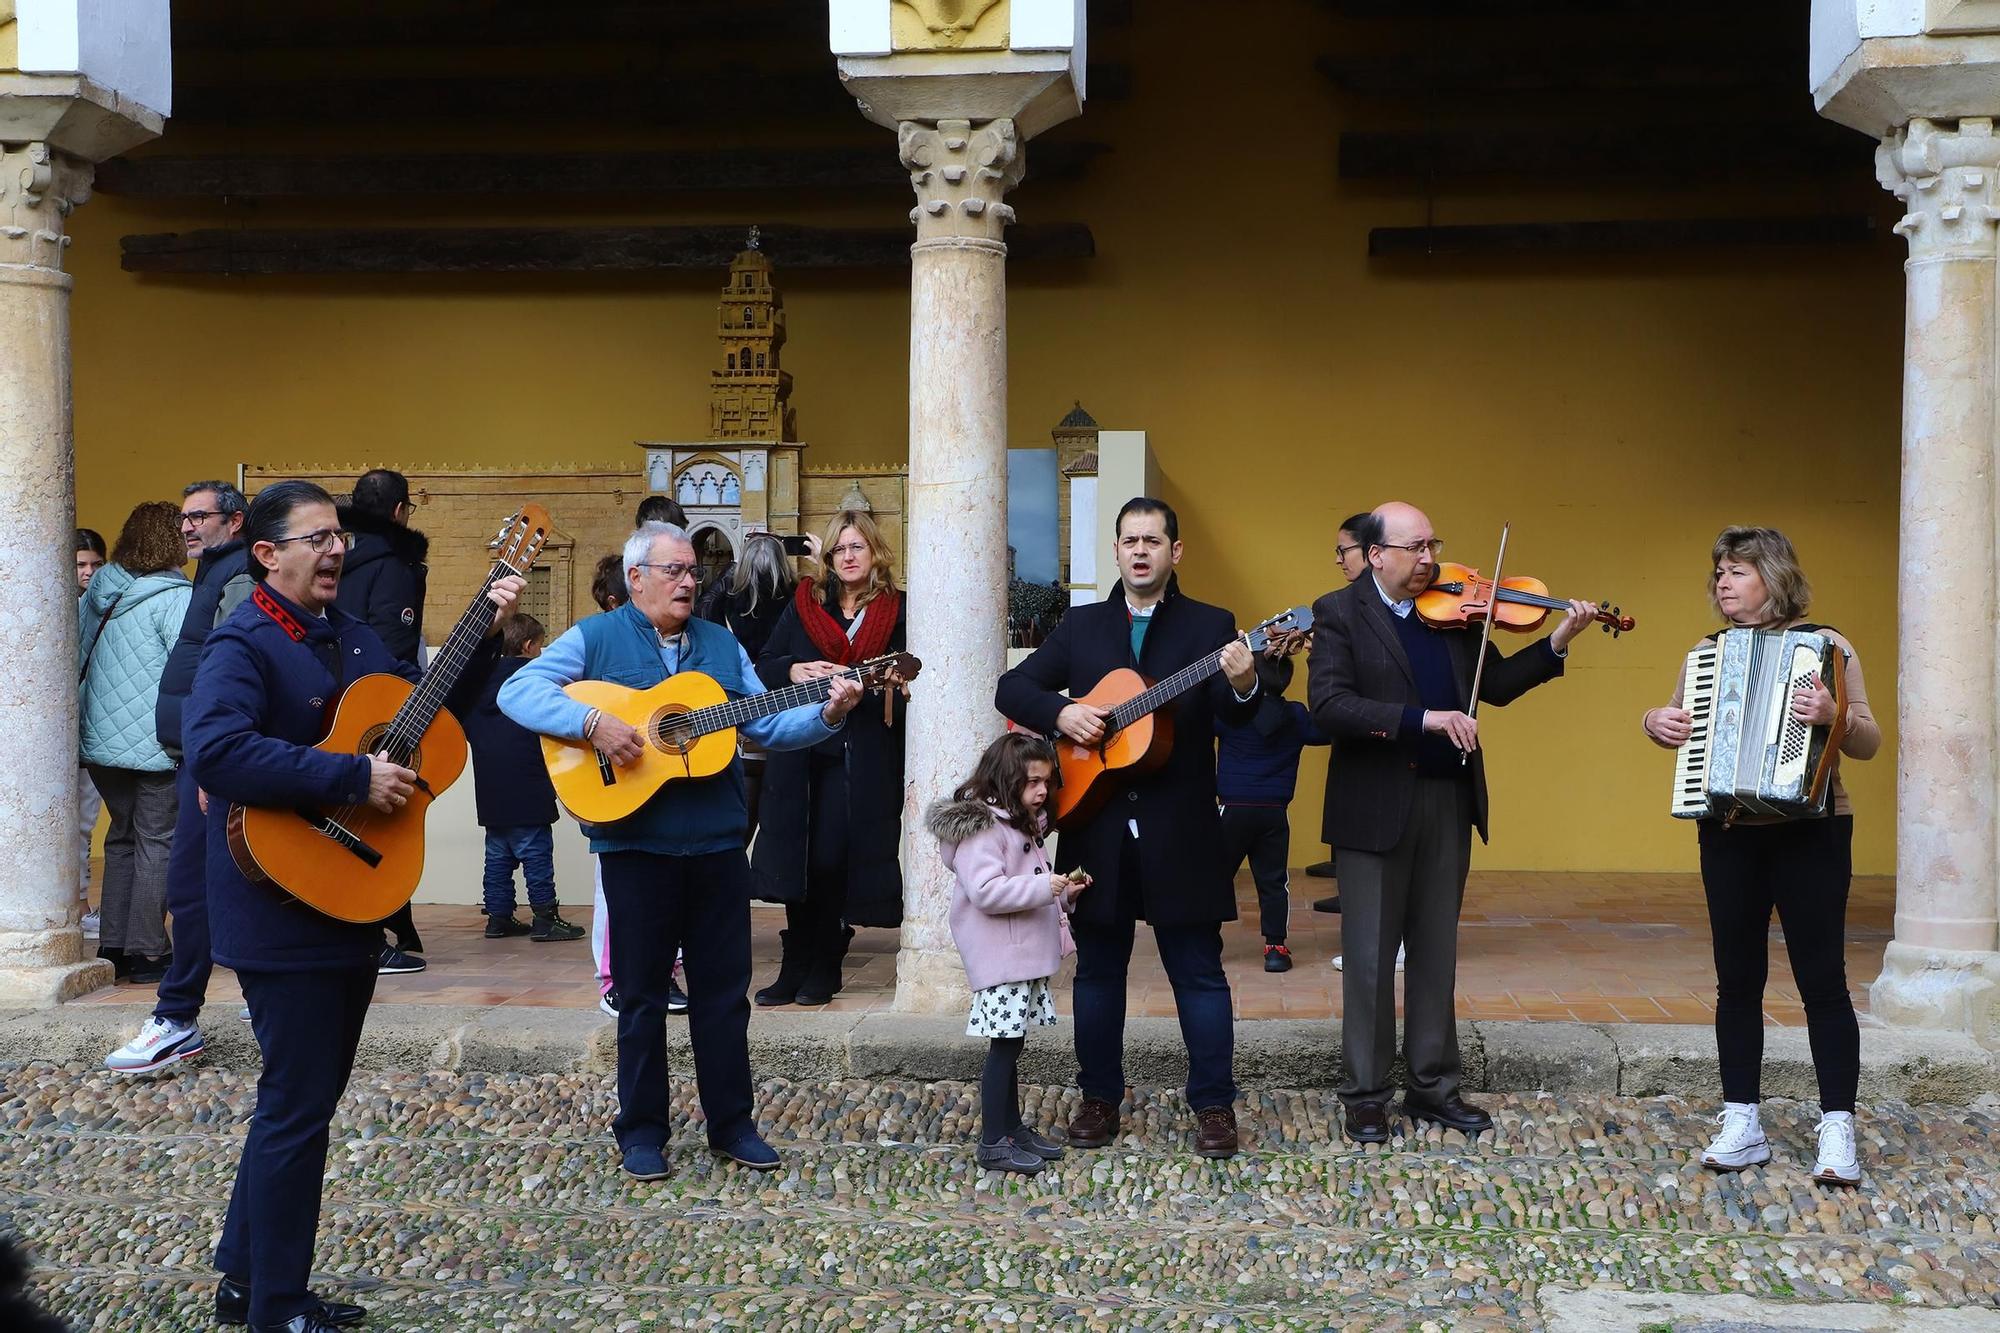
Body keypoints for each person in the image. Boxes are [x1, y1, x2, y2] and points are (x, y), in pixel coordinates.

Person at [186, 480, 522, 1332]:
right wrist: (349, 775)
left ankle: (243, 1280)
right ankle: (278, 1307)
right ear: (268, 554)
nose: (339, 548)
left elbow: (424, 708)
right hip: (278, 899)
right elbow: (218, 750)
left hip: (350, 897)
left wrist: (479, 634)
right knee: (298, 1106)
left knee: (297, 1102)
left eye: (341, 534)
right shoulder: (243, 642)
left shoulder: (355, 636)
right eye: (319, 537)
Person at [499, 520, 862, 1179]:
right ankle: (641, 1131)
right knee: (639, 996)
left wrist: (829, 714)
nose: (690, 581)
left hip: (719, 845)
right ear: (636, 578)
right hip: (636, 845)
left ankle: (732, 1123)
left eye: (694, 570)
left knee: (725, 994)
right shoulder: (596, 636)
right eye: (675, 570)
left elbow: (767, 721)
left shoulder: (721, 645)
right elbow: (516, 690)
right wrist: (592, 721)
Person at [1308, 501, 1597, 1145]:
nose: (1428, 560)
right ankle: (1366, 1094)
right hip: (1374, 806)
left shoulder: (1454, 614)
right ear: (1376, 554)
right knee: (1370, 958)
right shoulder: (1338, 612)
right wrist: (1423, 720)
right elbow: (1329, 705)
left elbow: (1492, 686)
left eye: (1432, 546)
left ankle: (1434, 1087)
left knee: (1437, 952)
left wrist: (1557, 641)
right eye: (1414, 548)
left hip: (1447, 800)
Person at [995, 497, 1259, 1160]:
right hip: (1096, 822)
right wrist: (1063, 715)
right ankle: (1098, 1098)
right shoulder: (1080, 627)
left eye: (1153, 539)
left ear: (1176, 551)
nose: (1141, 550)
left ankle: (1215, 1106)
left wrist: (1248, 679)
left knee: (1198, 971)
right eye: (1130, 539)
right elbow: (1011, 687)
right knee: (1098, 972)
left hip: (1183, 826)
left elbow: (1238, 718)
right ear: (1115, 550)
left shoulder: (1212, 625)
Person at [1641, 526, 1879, 1186]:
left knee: (1822, 980)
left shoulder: (1830, 646)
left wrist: (1836, 715)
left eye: (1738, 570)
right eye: (1719, 570)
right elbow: (1681, 724)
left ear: (1773, 577)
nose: (1722, 581)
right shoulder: (1705, 654)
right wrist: (1655, 723)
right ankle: (1741, 1118)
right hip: (1730, 829)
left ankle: (1838, 1127)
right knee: (1737, 979)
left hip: (1813, 830)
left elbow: (1869, 740)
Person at [106, 481, 254, 1074]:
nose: (189, 527)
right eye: (185, 518)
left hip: (211, 757)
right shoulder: (214, 572)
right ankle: (196, 1009)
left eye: (201, 517)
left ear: (236, 522)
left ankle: (177, 1017)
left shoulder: (236, 576)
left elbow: (234, 673)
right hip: (197, 753)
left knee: (191, 888)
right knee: (203, 886)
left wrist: (212, 756)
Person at [752, 511, 909, 1008]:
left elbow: (913, 678)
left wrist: (885, 689)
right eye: (839, 549)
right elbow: (764, 664)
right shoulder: (803, 605)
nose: (847, 557)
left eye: (857, 548)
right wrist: (796, 668)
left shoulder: (897, 611)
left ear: (875, 554)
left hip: (860, 755)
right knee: (796, 859)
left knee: (830, 861)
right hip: (800, 750)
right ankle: (794, 962)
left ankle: (825, 962)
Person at [926, 732, 1085, 1176]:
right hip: (1002, 959)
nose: (1042, 792)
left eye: (1046, 782)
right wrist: (1043, 887)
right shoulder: (985, 829)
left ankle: (1011, 1128)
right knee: (1004, 1049)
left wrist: (1064, 893)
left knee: (1012, 1045)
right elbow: (986, 891)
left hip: (1021, 956)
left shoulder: (1020, 823)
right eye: (1032, 782)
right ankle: (993, 1140)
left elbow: (1030, 882)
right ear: (1005, 779)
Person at [79, 501, 193, 985]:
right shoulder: (177, 598)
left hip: (100, 743)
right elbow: (186, 672)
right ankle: (147, 951)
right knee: (157, 842)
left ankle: (114, 943)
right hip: (153, 745)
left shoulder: (98, 593)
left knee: (122, 835)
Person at [334, 468, 431, 974]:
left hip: (334, 704)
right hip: (377, 711)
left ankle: (388, 921)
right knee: (381, 820)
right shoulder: (392, 565)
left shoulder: (338, 557)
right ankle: (373, 929)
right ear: (399, 512)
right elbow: (393, 645)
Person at [464, 613, 584, 943]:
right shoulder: (534, 682)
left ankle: (499, 918)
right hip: (528, 786)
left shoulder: (478, 683)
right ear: (529, 646)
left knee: (498, 855)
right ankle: (546, 918)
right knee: (535, 855)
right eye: (541, 647)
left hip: (489, 788)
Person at [1216, 631, 1328, 973]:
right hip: (1273, 813)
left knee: (1215, 877)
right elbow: (1326, 731)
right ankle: (1276, 948)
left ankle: (1205, 939)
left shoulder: (1231, 715)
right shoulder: (1295, 716)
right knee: (1274, 882)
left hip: (1231, 810)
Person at [698, 530, 818, 838]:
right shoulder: (796, 596)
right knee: (784, 824)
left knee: (739, 820)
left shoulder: (728, 597)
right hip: (786, 699)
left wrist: (728, 573)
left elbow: (703, 610)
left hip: (740, 698)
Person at [1309, 510, 1376, 911]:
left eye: (1343, 549)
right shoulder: (1337, 608)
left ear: (1372, 552)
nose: (1338, 558)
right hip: (1357, 748)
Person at [583, 553, 637, 1015]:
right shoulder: (597, 642)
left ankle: (665, 972)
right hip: (609, 784)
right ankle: (612, 981)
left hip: (652, 786)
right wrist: (593, 723)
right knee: (611, 887)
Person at [74, 527, 107, 940]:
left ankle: (82, 903)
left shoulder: (105, 605)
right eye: (81, 564)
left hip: (92, 725)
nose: (88, 572)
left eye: (96, 564)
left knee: (85, 818)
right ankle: (79, 905)